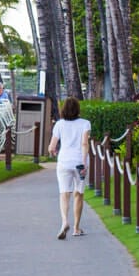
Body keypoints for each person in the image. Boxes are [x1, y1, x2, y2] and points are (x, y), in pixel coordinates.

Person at [48, 96, 91, 239]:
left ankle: (64, 221)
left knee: (64, 193)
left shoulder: (59, 125)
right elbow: (84, 143)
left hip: (64, 161)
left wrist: (52, 151)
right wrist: (84, 161)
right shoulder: (85, 123)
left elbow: (52, 146)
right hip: (80, 162)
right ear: (78, 109)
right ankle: (76, 228)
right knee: (78, 193)